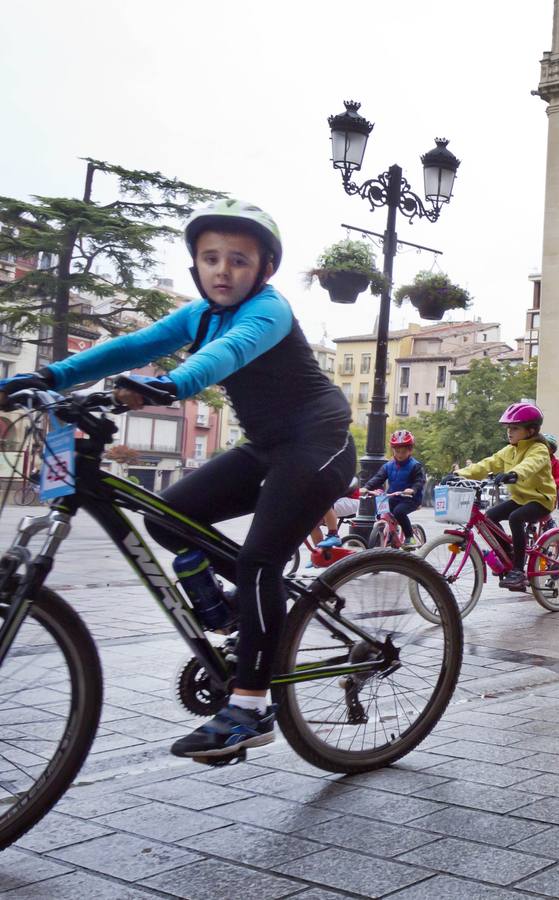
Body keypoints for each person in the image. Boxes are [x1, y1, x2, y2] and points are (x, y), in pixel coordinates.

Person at [0, 200, 355, 762]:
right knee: (166, 517)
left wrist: (172, 385)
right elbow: (131, 346)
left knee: (260, 561)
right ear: (195, 265)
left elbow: (226, 354)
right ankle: (232, 609)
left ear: (264, 269)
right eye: (210, 258)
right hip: (265, 446)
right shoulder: (198, 314)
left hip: (317, 441)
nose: (222, 270)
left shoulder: (269, 310)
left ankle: (250, 706)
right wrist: (47, 376)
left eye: (239, 260)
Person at [455, 403, 556, 589]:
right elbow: (487, 464)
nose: (509, 432)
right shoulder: (509, 450)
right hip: (520, 498)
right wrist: (459, 474)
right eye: (508, 428)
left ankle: (518, 571)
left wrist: (515, 473)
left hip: (541, 499)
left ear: (531, 430)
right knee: (490, 517)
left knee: (515, 518)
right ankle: (509, 552)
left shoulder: (539, 449)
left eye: (515, 428)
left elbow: (531, 465)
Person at [362, 430, 425, 548]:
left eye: (404, 451)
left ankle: (410, 537)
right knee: (381, 509)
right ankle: (390, 533)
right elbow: (378, 478)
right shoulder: (388, 466)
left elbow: (419, 481)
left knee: (399, 512)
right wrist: (366, 487)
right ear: (393, 450)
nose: (400, 454)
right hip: (394, 496)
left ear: (410, 450)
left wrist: (412, 490)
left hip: (410, 499)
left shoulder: (415, 465)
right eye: (397, 451)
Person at [311, 484, 362, 550]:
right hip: (336, 499)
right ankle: (321, 553)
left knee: (325, 504)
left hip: (350, 500)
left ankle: (333, 534)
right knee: (312, 524)